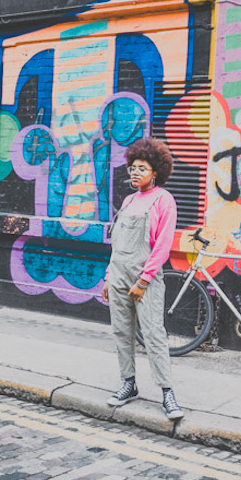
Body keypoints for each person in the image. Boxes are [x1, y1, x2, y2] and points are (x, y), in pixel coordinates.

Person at [101, 137, 184, 420]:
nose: (135, 172)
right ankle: (128, 384)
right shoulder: (128, 200)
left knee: (153, 335)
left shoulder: (164, 200)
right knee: (121, 332)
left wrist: (144, 281)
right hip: (119, 275)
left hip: (144, 278)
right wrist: (108, 277)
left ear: (155, 172)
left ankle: (167, 392)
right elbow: (117, 243)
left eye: (142, 168)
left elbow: (162, 246)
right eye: (133, 167)